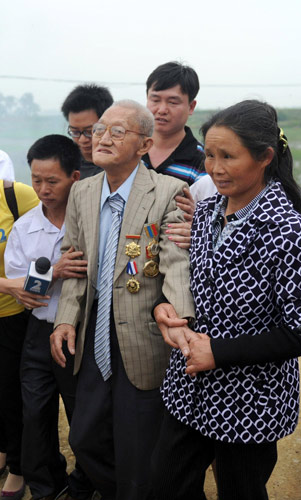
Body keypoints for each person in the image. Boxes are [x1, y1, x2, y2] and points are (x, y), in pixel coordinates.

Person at [151, 100, 301, 500]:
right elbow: (185, 280)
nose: (215, 167)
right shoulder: (207, 212)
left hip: (249, 402)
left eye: (228, 156)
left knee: (240, 490)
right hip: (188, 388)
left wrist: (219, 352)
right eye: (209, 155)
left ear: (265, 157)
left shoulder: (291, 233)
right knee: (166, 486)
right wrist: (164, 307)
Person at [50, 100, 195, 500]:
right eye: (99, 130)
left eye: (117, 131)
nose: (102, 138)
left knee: (138, 446)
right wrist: (65, 320)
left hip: (144, 336)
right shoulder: (82, 192)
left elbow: (175, 262)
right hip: (93, 334)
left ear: (144, 144)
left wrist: (179, 318)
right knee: (84, 437)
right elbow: (75, 264)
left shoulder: (168, 192)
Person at [5, 135, 91, 500]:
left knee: (83, 417)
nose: (42, 189)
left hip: (82, 333)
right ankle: (46, 487)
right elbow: (22, 288)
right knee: (35, 413)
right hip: (39, 333)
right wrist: (53, 272)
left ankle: (86, 484)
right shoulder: (25, 228)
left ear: (74, 176)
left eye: (52, 181)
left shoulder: (92, 222)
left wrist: (39, 278)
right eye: (36, 180)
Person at [0, 178, 39, 500]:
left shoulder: (16, 195)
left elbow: (45, 245)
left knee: (11, 394)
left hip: (11, 316)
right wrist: (5, 283)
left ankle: (17, 466)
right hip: (6, 296)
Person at [143, 61, 205, 186]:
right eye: (155, 100)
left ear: (191, 107)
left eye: (172, 102)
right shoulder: (129, 148)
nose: (161, 110)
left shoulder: (203, 161)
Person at [61, 83, 114, 179]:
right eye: (75, 132)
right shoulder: (64, 166)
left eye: (89, 131)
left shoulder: (121, 166)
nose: (82, 140)